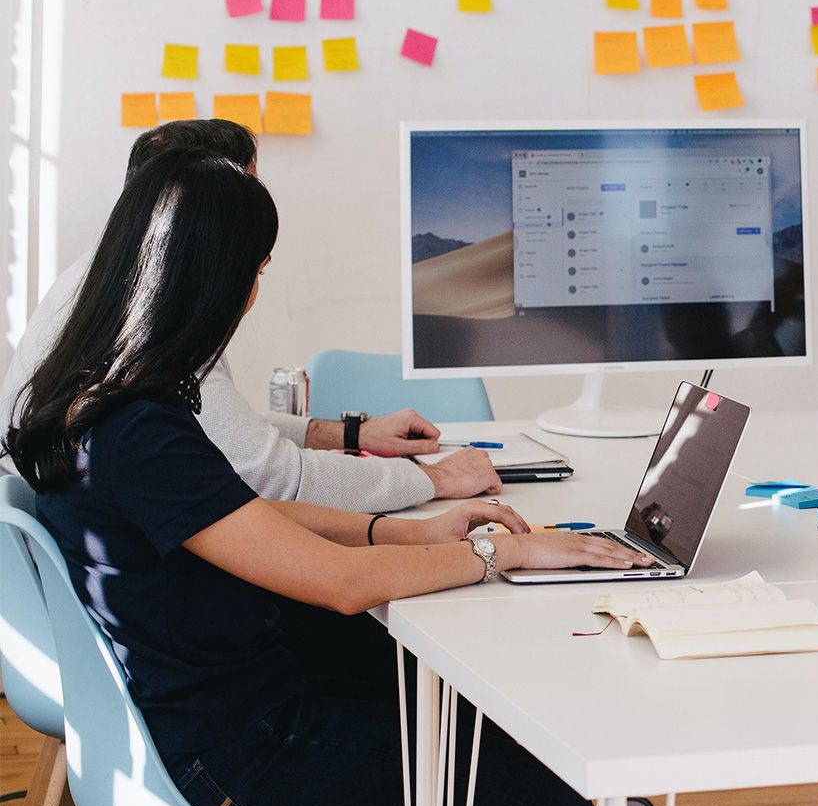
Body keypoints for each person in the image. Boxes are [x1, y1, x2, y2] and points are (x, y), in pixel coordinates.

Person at [3, 149, 642, 806]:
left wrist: (409, 534)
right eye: (256, 269)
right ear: (217, 278)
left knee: (457, 710)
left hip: (218, 715)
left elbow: (238, 516)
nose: (253, 292)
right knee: (547, 795)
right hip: (236, 757)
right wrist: (503, 551)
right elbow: (339, 585)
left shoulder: (98, 397)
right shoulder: (141, 429)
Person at [0, 120, 500, 512]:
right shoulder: (153, 316)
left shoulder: (102, 283)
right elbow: (272, 478)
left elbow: (213, 429)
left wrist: (353, 435)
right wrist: (432, 480)